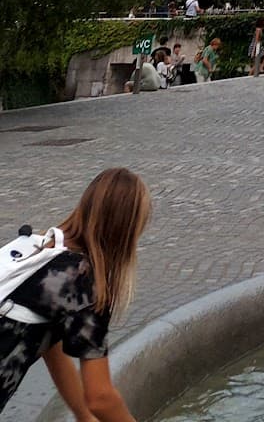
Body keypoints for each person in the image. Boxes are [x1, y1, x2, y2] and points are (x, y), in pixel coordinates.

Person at [0, 166, 151, 420]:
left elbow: (49, 342)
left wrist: (83, 415)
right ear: (126, 231)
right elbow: (100, 397)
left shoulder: (40, 246)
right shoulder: (83, 284)